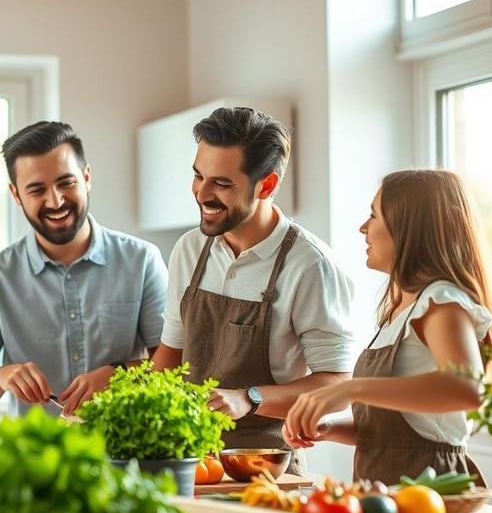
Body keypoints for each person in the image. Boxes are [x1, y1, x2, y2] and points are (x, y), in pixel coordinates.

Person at [150, 107, 355, 476]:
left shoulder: (310, 265)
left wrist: (250, 398)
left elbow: (337, 385)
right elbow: (171, 353)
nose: (202, 194)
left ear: (267, 185)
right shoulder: (189, 248)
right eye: (198, 176)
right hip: (191, 461)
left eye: (222, 184)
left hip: (266, 464)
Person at [283, 169, 492, 485]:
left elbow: (466, 389)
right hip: (385, 491)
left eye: (373, 215)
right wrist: (330, 430)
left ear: (408, 228)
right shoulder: (399, 312)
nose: (363, 227)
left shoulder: (441, 302)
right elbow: (394, 431)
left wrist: (351, 388)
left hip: (432, 490)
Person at [0, 121, 168, 417]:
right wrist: (2, 376)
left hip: (126, 456)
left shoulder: (142, 260)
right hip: (38, 458)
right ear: (16, 195)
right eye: (37, 189)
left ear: (87, 177)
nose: (55, 201)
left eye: (66, 183)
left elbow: (172, 365)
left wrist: (120, 374)